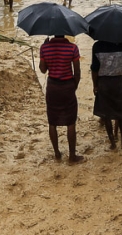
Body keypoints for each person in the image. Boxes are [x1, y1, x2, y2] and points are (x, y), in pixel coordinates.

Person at [39, 34, 85, 164]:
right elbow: (77, 72)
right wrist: (73, 86)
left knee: (52, 121)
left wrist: (44, 47)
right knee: (70, 122)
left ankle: (57, 154)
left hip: (53, 87)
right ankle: (72, 156)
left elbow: (43, 70)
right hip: (67, 86)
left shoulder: (45, 47)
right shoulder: (73, 48)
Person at [91, 38, 122, 150]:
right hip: (118, 81)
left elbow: (94, 68)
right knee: (121, 110)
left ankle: (112, 143)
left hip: (103, 82)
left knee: (106, 113)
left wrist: (95, 85)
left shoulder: (97, 46)